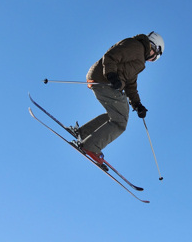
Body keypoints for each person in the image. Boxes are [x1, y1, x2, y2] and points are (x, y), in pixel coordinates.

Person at [67, 31, 164, 165]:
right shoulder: (136, 47)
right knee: (120, 120)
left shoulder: (139, 57)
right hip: (104, 79)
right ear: (154, 48)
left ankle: (83, 133)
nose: (150, 60)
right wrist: (111, 74)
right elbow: (111, 56)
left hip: (103, 78)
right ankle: (91, 146)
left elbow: (131, 85)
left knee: (116, 115)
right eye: (153, 58)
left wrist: (138, 104)